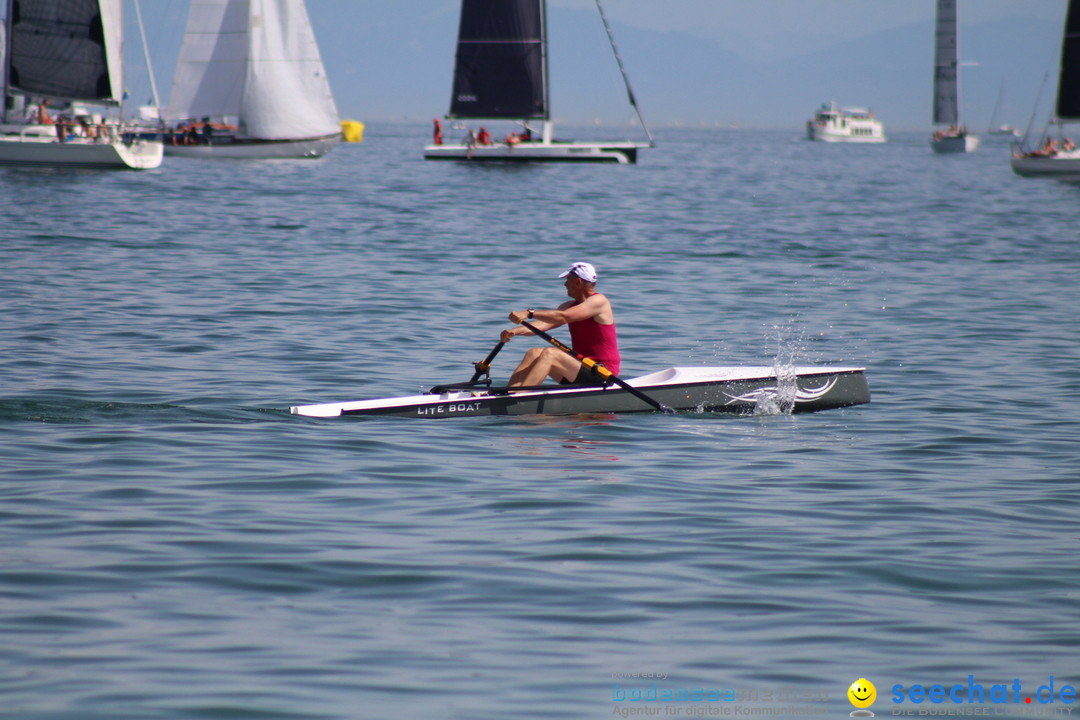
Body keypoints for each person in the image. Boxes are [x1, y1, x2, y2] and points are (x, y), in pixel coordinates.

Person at [500, 262, 620, 387]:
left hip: (602, 372)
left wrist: (529, 313)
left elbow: (564, 317)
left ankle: (520, 398)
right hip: (579, 368)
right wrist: (515, 332)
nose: (565, 284)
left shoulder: (599, 301)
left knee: (551, 354)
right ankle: (509, 395)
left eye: (568, 280)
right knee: (533, 353)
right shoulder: (568, 306)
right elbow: (543, 325)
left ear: (578, 282)